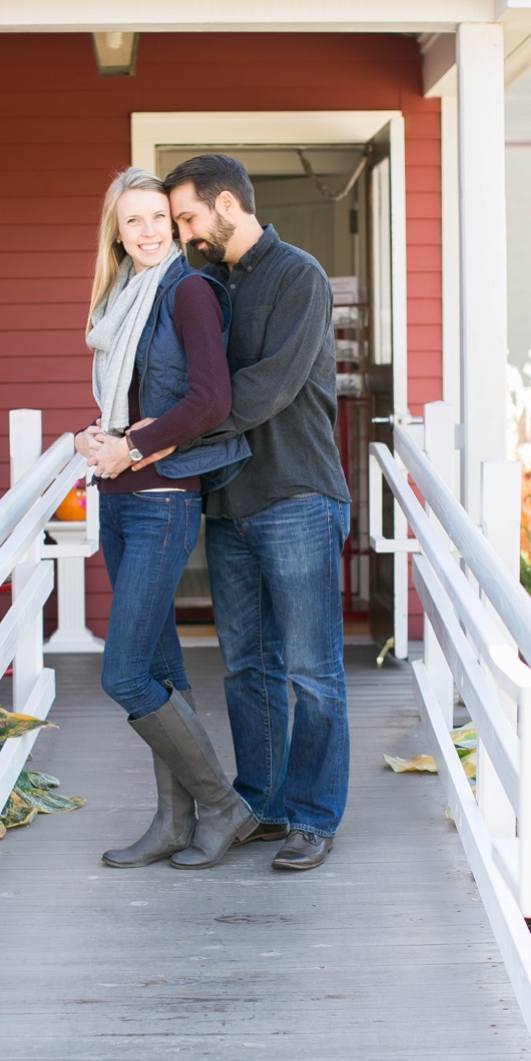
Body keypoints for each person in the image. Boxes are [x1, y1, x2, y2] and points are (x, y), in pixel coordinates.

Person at [164, 153, 353, 873]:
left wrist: (172, 431)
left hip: (298, 495)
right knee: (247, 665)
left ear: (227, 207)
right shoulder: (208, 284)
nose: (184, 232)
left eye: (188, 217)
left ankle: (312, 815)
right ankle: (264, 803)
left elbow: (265, 388)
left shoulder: (299, 275)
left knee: (311, 668)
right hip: (230, 503)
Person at [73, 169, 256, 871]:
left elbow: (210, 400)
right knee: (158, 665)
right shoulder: (124, 300)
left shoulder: (187, 292)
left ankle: (221, 804)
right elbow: (140, 400)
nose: (148, 232)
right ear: (116, 236)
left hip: (163, 502)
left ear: (175, 225)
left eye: (158, 217)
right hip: (120, 499)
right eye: (133, 223)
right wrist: (103, 436)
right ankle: (174, 821)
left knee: (124, 674)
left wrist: (134, 445)